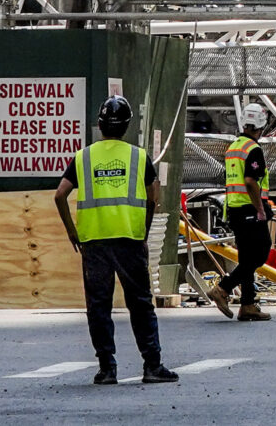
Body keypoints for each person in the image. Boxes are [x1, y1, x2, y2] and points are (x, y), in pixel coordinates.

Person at [53, 95, 177, 386]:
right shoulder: (138, 156)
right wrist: (143, 233)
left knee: (99, 307)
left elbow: (59, 195)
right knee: (141, 304)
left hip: (93, 242)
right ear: (127, 126)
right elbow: (152, 198)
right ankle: (152, 365)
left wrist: (72, 231)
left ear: (99, 125)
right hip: (129, 241)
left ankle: (107, 369)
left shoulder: (84, 157)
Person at [215, 109, 275, 322]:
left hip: (234, 209)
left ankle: (248, 304)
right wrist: (260, 209)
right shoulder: (253, 149)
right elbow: (250, 181)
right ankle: (223, 288)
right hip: (250, 209)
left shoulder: (234, 147)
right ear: (262, 125)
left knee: (246, 257)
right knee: (260, 253)